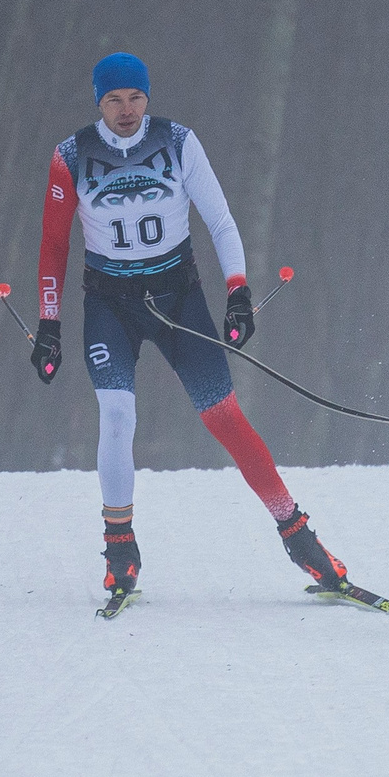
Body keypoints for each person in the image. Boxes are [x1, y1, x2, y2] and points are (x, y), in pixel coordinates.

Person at [31, 51, 348, 603]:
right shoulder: (70, 155)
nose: (126, 111)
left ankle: (300, 538)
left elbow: (220, 220)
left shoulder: (178, 142)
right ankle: (120, 549)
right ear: (98, 102)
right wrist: (49, 324)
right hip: (110, 304)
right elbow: (54, 246)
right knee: (117, 412)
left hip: (179, 299)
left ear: (147, 98)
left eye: (135, 99)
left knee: (223, 416)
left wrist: (238, 292)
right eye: (114, 100)